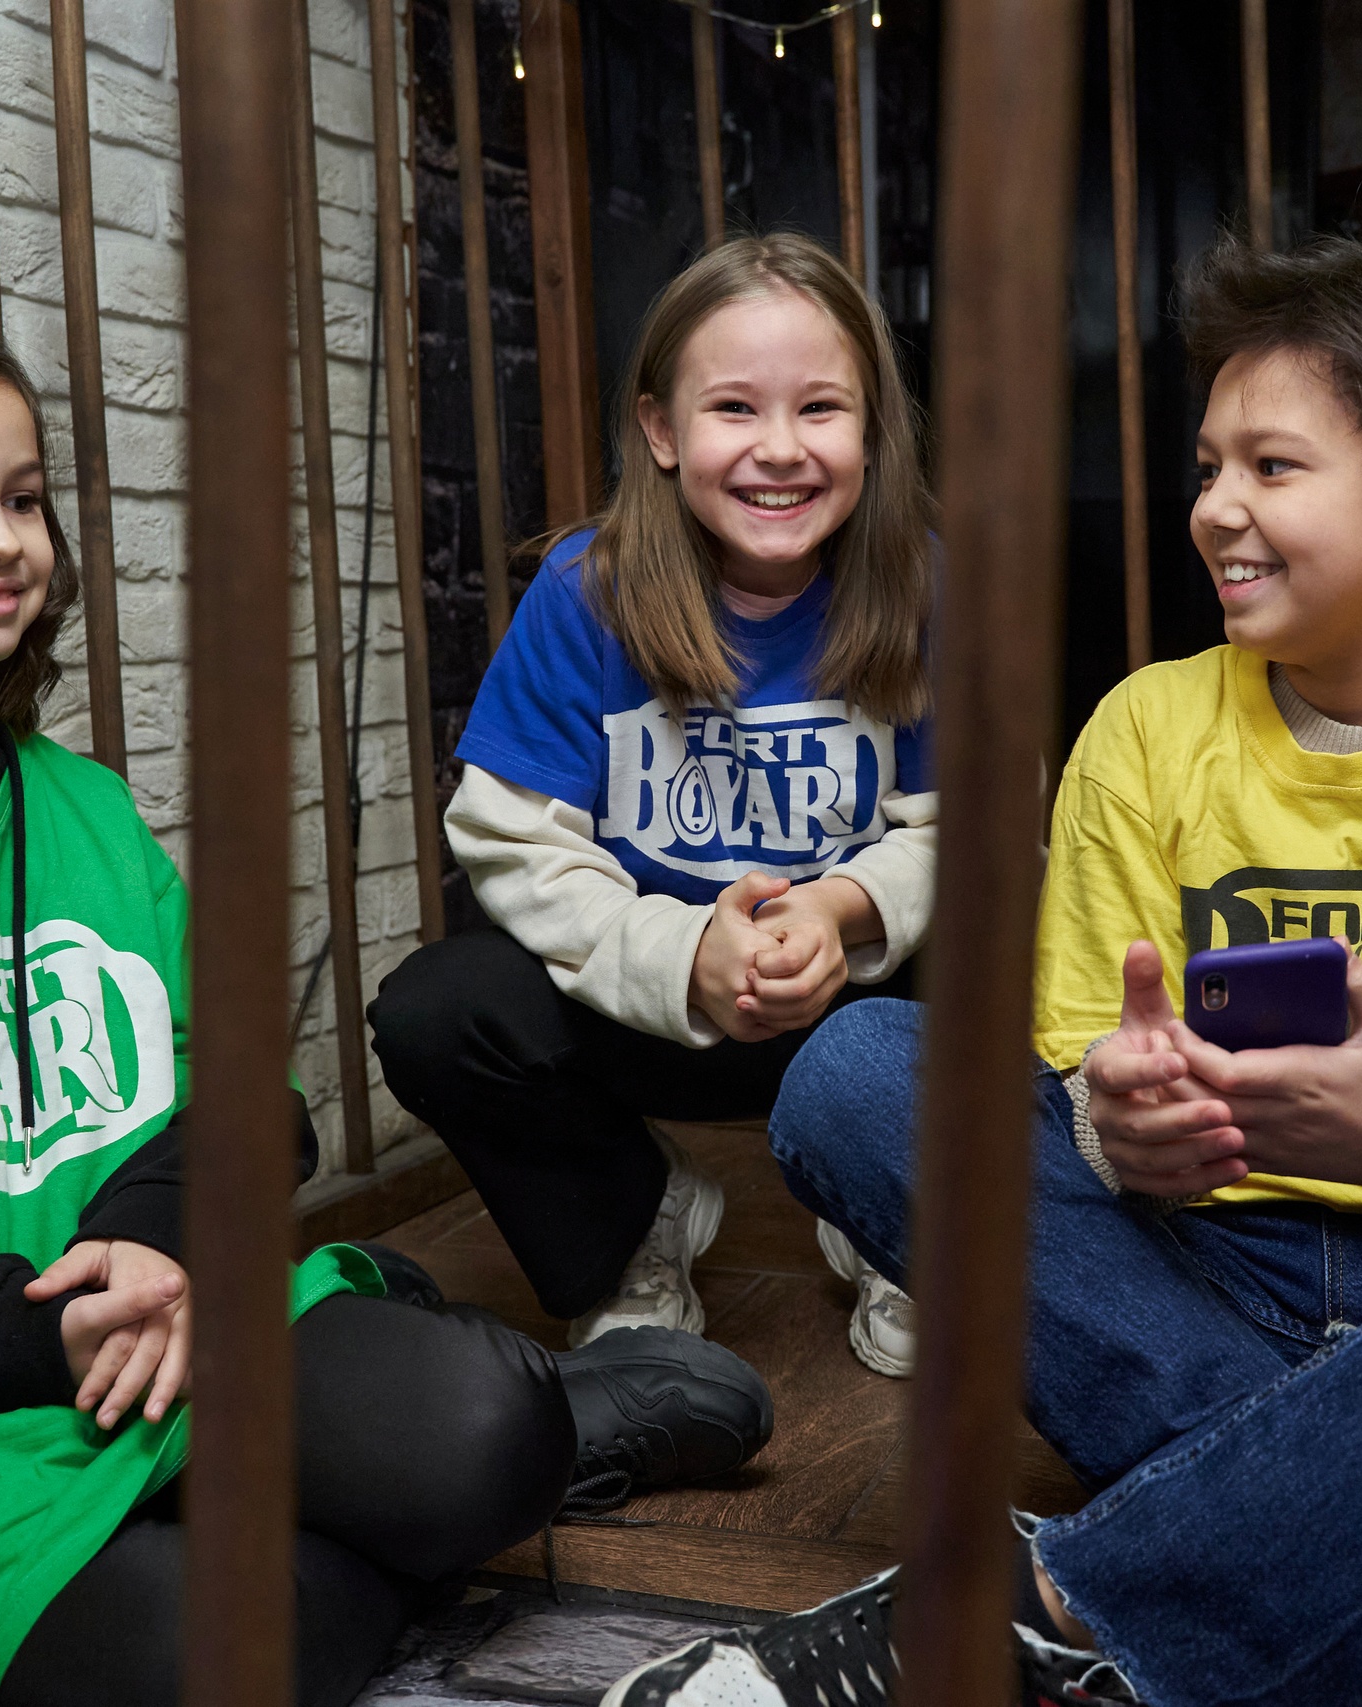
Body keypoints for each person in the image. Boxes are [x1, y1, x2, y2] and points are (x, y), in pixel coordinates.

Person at [604, 237, 1362, 1707]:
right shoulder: (1145, 728)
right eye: (1208, 465)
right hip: (1198, 1280)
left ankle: (1047, 1602)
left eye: (1272, 467)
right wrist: (1129, 1128)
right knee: (857, 1071)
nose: (1214, 507)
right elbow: (1082, 1078)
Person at [0, 306, 771, 1707]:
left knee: (486, 1426)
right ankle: (350, 1520)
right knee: (196, 1653)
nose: (1, 539)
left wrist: (150, 1249)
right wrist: (41, 1329)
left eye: (22, 498)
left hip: (177, 1329)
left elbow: (242, 1101)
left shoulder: (85, 809)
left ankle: (450, 1443)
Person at [370, 234, 937, 1375]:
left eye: (821, 408)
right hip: (641, 1004)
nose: (781, 447)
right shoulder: (586, 592)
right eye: (734, 407)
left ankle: (886, 1206)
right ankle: (631, 1221)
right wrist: (684, 955)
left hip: (853, 1009)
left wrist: (839, 911)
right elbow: (509, 838)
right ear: (662, 432)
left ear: (872, 431)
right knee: (438, 1009)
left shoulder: (925, 587)